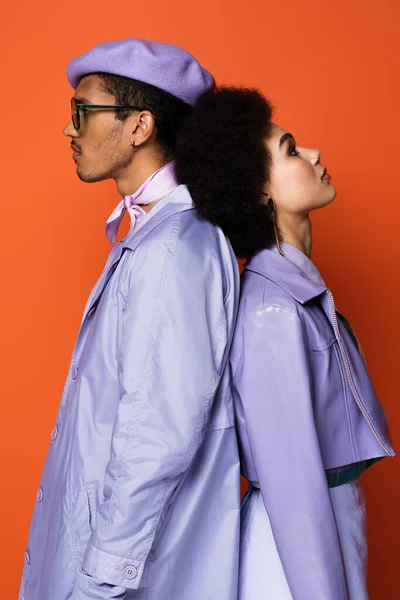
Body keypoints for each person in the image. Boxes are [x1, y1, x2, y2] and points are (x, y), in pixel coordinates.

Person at [19, 41, 241, 600]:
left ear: (139, 125)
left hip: (124, 577)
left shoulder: (175, 246)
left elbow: (158, 434)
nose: (69, 131)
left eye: (83, 112)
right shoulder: (152, 236)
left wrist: (101, 580)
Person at [175, 87, 395, 600]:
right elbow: (292, 485)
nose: (315, 154)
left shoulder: (296, 294)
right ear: (259, 191)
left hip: (326, 531)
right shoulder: (272, 310)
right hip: (292, 554)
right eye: (292, 150)